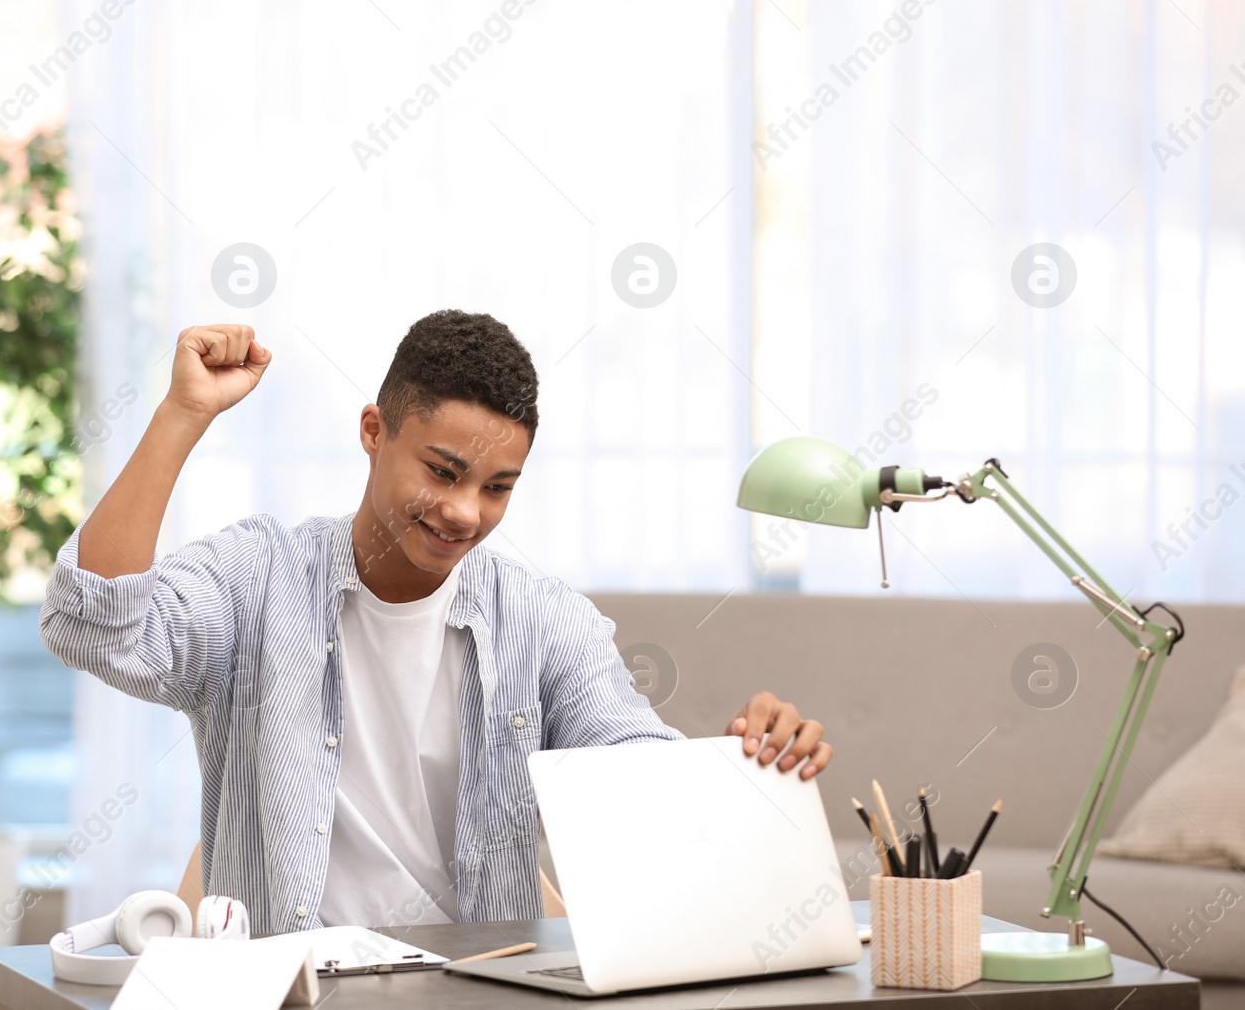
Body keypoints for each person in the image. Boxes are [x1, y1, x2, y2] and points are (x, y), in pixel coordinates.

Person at [40, 311, 832, 933]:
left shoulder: (544, 620)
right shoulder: (258, 579)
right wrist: (183, 414)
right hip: (290, 989)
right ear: (373, 431)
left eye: (497, 487)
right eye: (443, 472)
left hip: (478, 990)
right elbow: (95, 625)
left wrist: (739, 756)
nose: (464, 512)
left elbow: (631, 767)